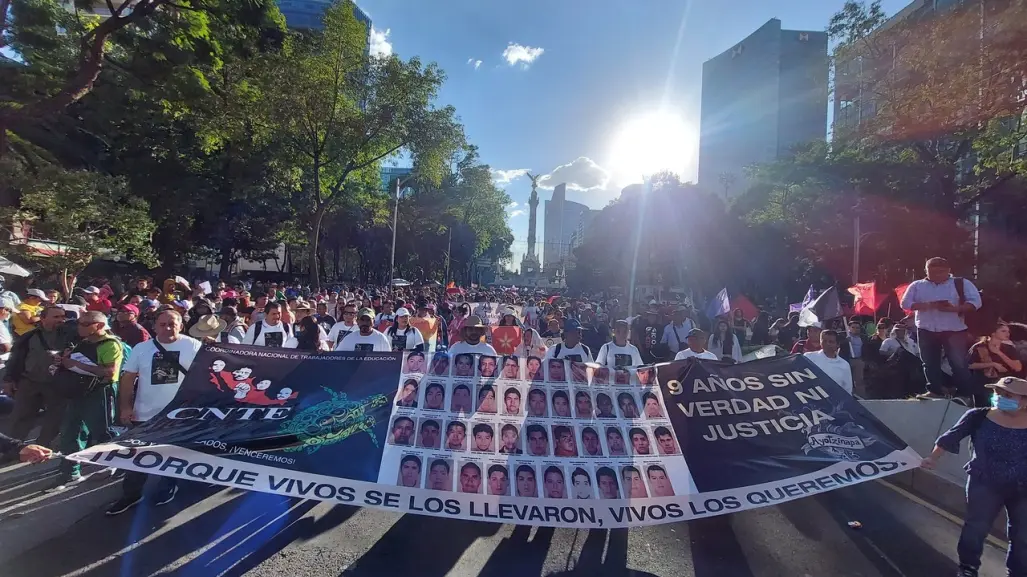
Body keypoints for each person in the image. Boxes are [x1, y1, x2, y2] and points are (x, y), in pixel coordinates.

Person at [921, 376, 1027, 577]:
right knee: (976, 529)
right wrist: (933, 458)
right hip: (984, 484)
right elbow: (950, 437)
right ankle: (968, 568)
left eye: (1008, 395)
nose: (1000, 397)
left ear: (1024, 401)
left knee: (1022, 536)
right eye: (998, 393)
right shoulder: (978, 416)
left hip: (1023, 489)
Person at [107, 310, 201, 514]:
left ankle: (168, 487)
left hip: (179, 414)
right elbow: (127, 378)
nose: (167, 328)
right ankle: (131, 495)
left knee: (171, 454)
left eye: (172, 324)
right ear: (155, 326)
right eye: (163, 324)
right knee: (137, 456)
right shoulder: (142, 348)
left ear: (180, 325)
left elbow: (205, 373)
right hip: (144, 413)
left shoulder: (192, 345)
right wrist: (125, 406)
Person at [55, 311, 124, 488]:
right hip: (79, 390)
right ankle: (70, 471)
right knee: (72, 431)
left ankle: (116, 464)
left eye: (86, 324)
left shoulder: (110, 344)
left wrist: (76, 365)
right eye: (79, 323)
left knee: (104, 430)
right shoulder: (82, 343)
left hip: (100, 391)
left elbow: (109, 372)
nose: (80, 327)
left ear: (99, 325)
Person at [900, 257, 981, 401]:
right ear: (926, 271)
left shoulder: (961, 283)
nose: (937, 275)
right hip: (926, 328)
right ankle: (935, 390)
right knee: (929, 362)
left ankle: (965, 394)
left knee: (958, 363)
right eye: (933, 272)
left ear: (948, 270)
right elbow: (905, 304)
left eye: (941, 271)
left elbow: (975, 303)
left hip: (954, 328)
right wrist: (930, 305)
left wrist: (955, 309)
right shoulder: (917, 285)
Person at [3, 305, 74, 449]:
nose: (60, 320)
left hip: (57, 384)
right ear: (43, 318)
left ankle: (42, 447)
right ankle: (13, 450)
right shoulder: (28, 337)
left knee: (55, 418)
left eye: (62, 316)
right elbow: (15, 359)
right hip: (29, 382)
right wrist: (9, 379)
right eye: (56, 317)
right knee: (20, 417)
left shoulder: (71, 335)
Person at [968, 323, 1024, 407]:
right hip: (983, 385)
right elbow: (970, 365)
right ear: (993, 333)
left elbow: (1017, 367)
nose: (1007, 334)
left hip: (1004, 386)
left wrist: (999, 353)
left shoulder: (1009, 348)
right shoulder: (979, 347)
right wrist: (993, 364)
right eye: (1003, 331)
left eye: (1008, 331)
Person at [804, 330, 854, 395]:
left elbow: (847, 389)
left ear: (837, 344)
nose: (827, 344)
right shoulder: (809, 357)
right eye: (824, 341)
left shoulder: (844, 365)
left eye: (831, 342)